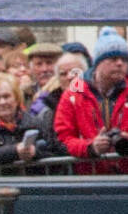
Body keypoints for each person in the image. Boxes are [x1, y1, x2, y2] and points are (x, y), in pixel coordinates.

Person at [54, 28, 128, 175]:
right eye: (113, 59)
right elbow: (62, 139)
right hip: (89, 180)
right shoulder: (72, 95)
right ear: (98, 63)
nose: (120, 64)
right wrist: (90, 147)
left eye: (124, 59)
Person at [0, 73, 64, 168]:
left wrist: (35, 153)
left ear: (17, 98)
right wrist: (15, 150)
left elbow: (55, 152)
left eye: (6, 96)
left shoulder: (36, 123)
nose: (2, 102)